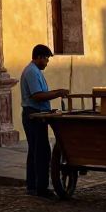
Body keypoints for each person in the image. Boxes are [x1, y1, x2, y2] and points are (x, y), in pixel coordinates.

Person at [20, 44, 69, 198]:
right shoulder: (32, 72)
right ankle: (41, 188)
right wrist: (58, 93)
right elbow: (37, 96)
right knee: (41, 152)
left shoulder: (34, 71)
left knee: (34, 151)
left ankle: (32, 186)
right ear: (40, 57)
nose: (47, 62)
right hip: (34, 115)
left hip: (38, 113)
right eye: (46, 59)